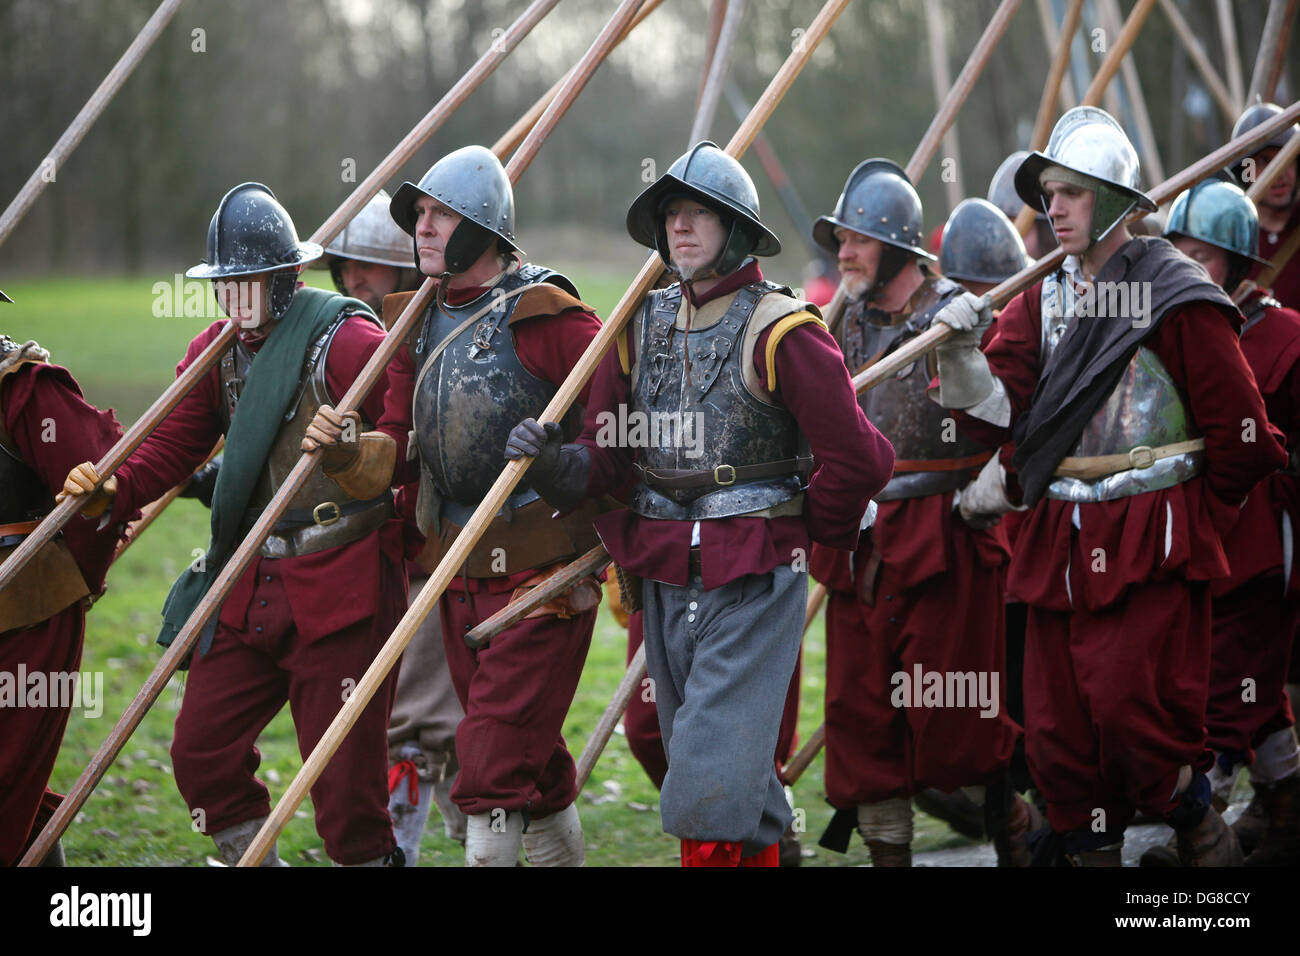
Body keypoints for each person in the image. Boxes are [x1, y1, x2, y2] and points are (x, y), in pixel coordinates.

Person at [506, 141, 894, 866]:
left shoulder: (783, 330)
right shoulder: (637, 324)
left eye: (699, 215)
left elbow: (861, 458)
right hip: (662, 570)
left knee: (711, 781)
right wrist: (555, 463)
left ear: (737, 229)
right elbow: (610, 456)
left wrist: (813, 530)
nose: (681, 227)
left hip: (753, 575)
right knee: (701, 758)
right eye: (672, 215)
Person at [933, 107, 1287, 866]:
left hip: (1151, 538)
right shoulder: (1039, 299)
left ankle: (1198, 827)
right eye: (1048, 193)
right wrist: (963, 353)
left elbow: (1243, 435)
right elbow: (1003, 417)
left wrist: (1192, 518)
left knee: (1134, 716)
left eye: (1072, 192)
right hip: (1060, 543)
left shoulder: (1176, 292)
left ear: (1119, 202)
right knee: (1061, 738)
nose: (1052, 207)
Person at [63, 183, 406, 867]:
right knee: (203, 756)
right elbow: (171, 446)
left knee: (344, 793)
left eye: (248, 282)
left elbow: (406, 440)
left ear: (285, 277)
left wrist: (355, 450)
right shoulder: (215, 351)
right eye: (226, 284)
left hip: (344, 589)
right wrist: (112, 486)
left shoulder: (348, 338)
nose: (235, 298)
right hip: (248, 579)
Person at [306, 146, 606, 867]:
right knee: (528, 757)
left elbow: (615, 440)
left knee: (491, 765)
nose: (424, 230)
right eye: (421, 218)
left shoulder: (550, 316)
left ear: (485, 226)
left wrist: (562, 460)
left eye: (441, 216)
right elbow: (399, 447)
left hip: (546, 575)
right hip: (458, 568)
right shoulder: (413, 322)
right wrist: (351, 454)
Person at [809, 161, 1026, 867]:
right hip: (860, 547)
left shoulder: (955, 314)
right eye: (840, 240)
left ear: (899, 247)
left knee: (958, 725)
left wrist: (965, 349)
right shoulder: (836, 324)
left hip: (946, 539)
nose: (843, 253)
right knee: (862, 720)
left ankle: (1023, 837)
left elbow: (1007, 419)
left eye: (858, 241)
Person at [313, 189, 467, 860]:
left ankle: (476, 844)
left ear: (405, 270)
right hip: (372, 556)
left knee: (433, 725)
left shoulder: (441, 327)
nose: (354, 281)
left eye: (368, 268)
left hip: (445, 545)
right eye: (344, 267)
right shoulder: (339, 340)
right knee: (394, 720)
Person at [1152, 178, 1300, 867]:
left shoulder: (1285, 336)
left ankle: (1200, 854)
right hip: (1192, 538)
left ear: (1238, 265)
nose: (1187, 267)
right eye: (1178, 253)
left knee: (1228, 692)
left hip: (1261, 546)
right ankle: (1288, 805)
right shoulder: (1168, 329)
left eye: (1204, 257)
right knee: (1255, 696)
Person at [1, 292, 131, 867]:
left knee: (6, 774)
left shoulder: (26, 389)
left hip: (23, 612)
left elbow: (97, 495)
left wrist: (81, 570)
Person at [1230, 102, 1300, 310]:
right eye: (1264, 161)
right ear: (1246, 172)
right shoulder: (1230, 238)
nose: (1278, 172)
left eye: (1284, 158)